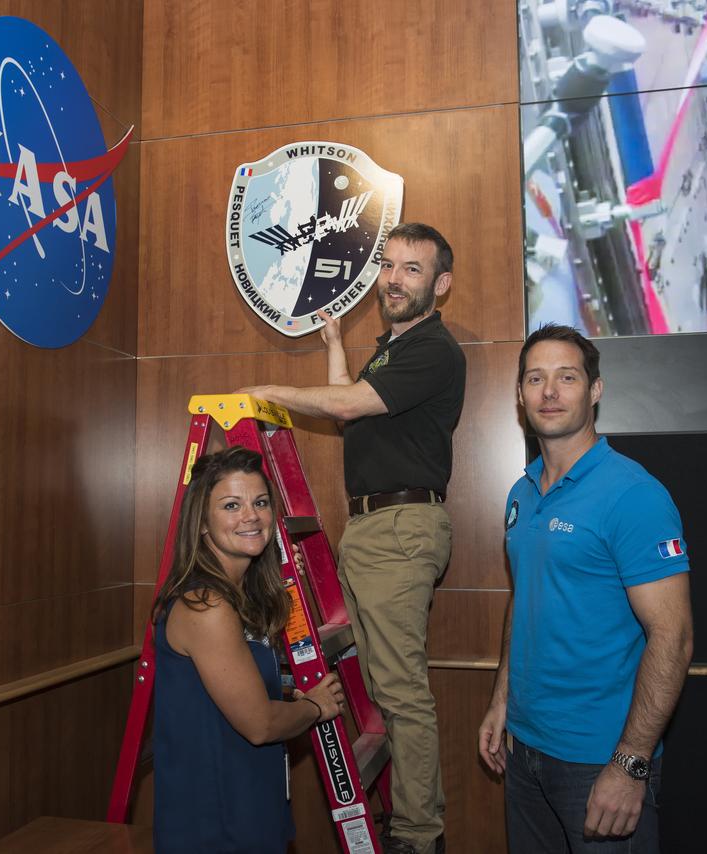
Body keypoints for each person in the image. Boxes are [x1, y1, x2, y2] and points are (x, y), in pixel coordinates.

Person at [239, 222, 466, 854]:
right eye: (388, 265)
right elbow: (350, 402)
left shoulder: (432, 348)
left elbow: (344, 408)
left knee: (399, 691)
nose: (393, 278)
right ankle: (406, 824)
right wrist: (335, 341)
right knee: (377, 684)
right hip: (373, 528)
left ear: (440, 285)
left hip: (399, 527)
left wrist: (262, 392)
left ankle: (420, 839)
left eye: (411, 269)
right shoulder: (394, 349)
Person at [477, 324, 693, 853]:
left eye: (566, 377)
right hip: (526, 750)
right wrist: (501, 699)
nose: (549, 392)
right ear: (521, 395)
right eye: (535, 379)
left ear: (594, 390)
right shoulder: (521, 493)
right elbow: (525, 601)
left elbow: (674, 637)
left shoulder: (634, 495)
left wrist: (630, 763)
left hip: (600, 761)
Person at [151, 445, 345, 854]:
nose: (250, 516)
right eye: (231, 505)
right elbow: (260, 725)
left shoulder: (238, 594)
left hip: (250, 803)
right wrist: (316, 706)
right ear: (202, 523)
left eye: (259, 502)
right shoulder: (206, 605)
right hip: (214, 823)